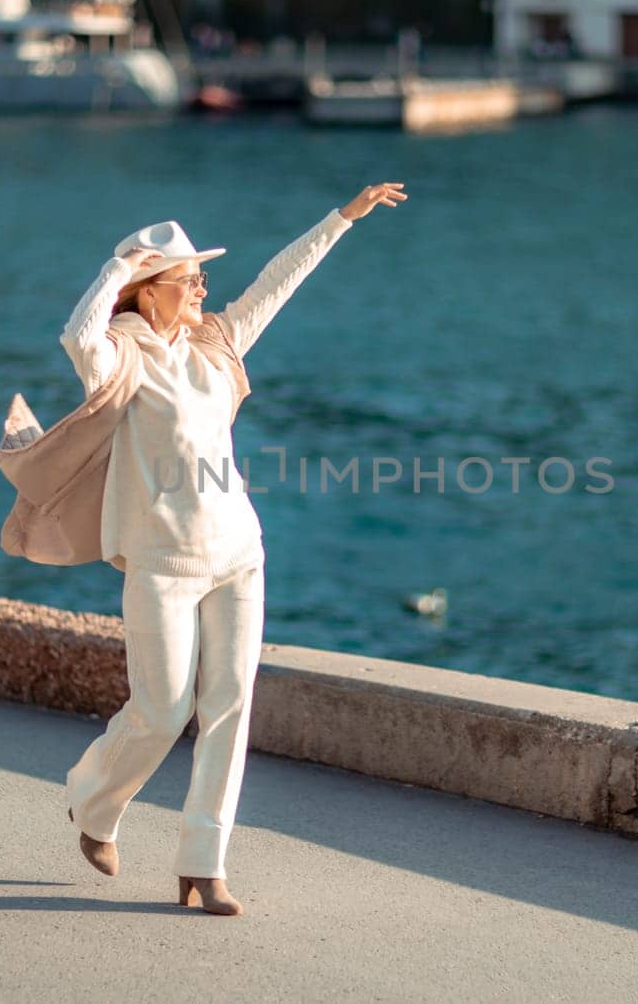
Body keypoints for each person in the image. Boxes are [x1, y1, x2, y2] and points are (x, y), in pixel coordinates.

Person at [59, 183, 407, 915]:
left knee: (229, 704)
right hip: (163, 563)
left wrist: (342, 217)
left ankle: (203, 864)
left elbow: (280, 280)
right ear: (149, 293)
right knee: (160, 710)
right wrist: (113, 272)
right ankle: (92, 802)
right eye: (187, 280)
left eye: (201, 280)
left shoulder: (218, 341)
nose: (201, 289)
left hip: (238, 553)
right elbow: (77, 338)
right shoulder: (123, 357)